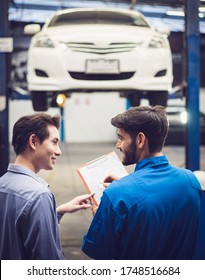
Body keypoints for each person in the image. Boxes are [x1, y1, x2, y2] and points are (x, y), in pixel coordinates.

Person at [82, 105, 202, 260]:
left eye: (121, 138)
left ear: (140, 140)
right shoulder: (191, 181)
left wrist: (101, 214)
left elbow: (99, 251)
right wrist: (126, 187)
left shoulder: (117, 195)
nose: (117, 145)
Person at [0, 113, 93, 260]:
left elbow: (16, 228)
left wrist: (56, 212)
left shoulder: (3, 184)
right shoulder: (39, 196)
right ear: (33, 141)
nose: (59, 151)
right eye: (54, 142)